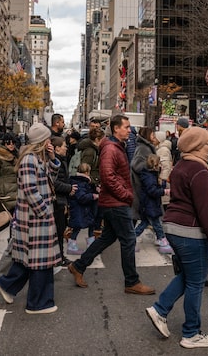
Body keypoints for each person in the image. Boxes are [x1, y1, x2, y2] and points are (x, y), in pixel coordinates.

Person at [144, 126, 208, 348]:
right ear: (198, 146)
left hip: (175, 227)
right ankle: (191, 333)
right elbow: (205, 210)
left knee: (188, 276)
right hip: (192, 231)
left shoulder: (180, 167)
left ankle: (159, 309)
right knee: (196, 283)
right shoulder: (199, 170)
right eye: (207, 144)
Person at [67, 114, 155, 295]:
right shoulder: (111, 148)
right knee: (129, 240)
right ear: (116, 128)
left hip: (112, 202)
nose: (129, 130)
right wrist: (126, 195)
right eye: (127, 127)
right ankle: (132, 281)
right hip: (116, 203)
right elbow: (108, 177)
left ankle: (78, 265)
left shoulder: (115, 146)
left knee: (108, 237)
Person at [0, 123, 61, 314]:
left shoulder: (37, 158)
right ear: (41, 141)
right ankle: (38, 303)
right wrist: (44, 212)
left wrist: (53, 158)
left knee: (33, 259)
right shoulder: (29, 159)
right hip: (35, 219)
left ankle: (7, 285)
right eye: (47, 138)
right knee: (40, 261)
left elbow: (49, 181)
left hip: (35, 218)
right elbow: (30, 189)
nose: (50, 142)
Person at [133, 154, 172, 254]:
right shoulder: (149, 176)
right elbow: (152, 191)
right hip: (149, 204)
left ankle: (131, 239)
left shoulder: (151, 175)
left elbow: (156, 187)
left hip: (150, 204)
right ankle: (162, 239)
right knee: (156, 223)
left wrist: (162, 183)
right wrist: (165, 192)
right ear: (155, 165)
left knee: (144, 223)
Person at [51, 136, 75, 264]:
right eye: (64, 146)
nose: (66, 148)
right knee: (59, 231)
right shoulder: (56, 163)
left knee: (59, 230)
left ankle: (58, 257)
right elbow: (55, 183)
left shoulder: (60, 160)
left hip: (61, 200)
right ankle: (59, 258)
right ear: (57, 148)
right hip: (58, 201)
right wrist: (69, 188)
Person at [66, 162, 99, 255]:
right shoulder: (81, 182)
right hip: (80, 209)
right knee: (77, 227)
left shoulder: (80, 181)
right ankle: (72, 246)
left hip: (83, 209)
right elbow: (82, 197)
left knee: (90, 225)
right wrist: (93, 196)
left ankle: (91, 245)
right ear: (87, 172)